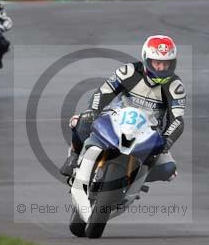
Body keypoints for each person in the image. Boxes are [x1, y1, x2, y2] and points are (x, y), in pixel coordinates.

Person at [60, 34, 187, 182]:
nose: (162, 68)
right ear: (146, 59)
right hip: (117, 119)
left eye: (167, 64)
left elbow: (177, 119)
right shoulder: (129, 71)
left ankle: (134, 181)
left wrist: (166, 141)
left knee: (169, 170)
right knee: (80, 121)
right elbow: (104, 91)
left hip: (149, 132)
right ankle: (74, 158)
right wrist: (92, 111)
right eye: (157, 63)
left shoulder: (175, 86)